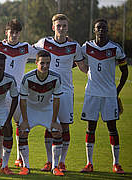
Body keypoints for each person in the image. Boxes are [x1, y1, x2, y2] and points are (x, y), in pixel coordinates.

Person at [33, 14, 88, 172]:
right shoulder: (44, 43)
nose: (61, 28)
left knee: (64, 126)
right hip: (47, 91)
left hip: (65, 91)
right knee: (49, 126)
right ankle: (50, 161)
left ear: (67, 27)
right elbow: (29, 50)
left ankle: (62, 161)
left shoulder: (74, 46)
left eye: (64, 25)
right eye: (59, 26)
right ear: (53, 27)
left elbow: (83, 66)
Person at [0, 18, 37, 169]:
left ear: (19, 34)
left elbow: (45, 51)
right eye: (11, 32)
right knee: (1, 125)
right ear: (6, 32)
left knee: (19, 125)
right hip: (1, 92)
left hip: (19, 93)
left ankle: (18, 158)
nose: (14, 35)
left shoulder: (26, 48)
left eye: (16, 32)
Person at [80, 19, 128, 174]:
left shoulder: (115, 48)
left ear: (108, 30)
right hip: (92, 94)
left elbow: (125, 72)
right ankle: (89, 163)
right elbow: (77, 62)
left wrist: (117, 91)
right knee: (90, 128)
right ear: (94, 30)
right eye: (98, 28)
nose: (101, 30)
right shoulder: (86, 47)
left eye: (104, 28)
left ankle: (116, 164)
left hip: (109, 95)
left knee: (112, 128)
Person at [19, 50, 64, 176]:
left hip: (47, 109)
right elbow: (22, 101)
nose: (45, 66)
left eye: (48, 63)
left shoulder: (55, 78)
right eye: (42, 63)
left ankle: (55, 167)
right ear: (36, 63)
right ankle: (25, 166)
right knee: (22, 132)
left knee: (57, 132)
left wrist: (54, 121)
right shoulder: (27, 78)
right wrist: (25, 120)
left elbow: (56, 100)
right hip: (31, 109)